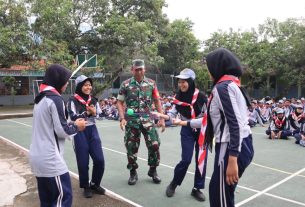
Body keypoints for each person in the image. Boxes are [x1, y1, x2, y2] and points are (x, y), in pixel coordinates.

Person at [29, 64, 87, 207]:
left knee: (47, 201)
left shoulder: (40, 98)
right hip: (50, 160)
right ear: (58, 80)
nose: (67, 84)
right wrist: (77, 127)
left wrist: (72, 123)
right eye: (66, 80)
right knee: (63, 198)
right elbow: (62, 131)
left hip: (38, 158)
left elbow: (54, 125)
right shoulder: (56, 99)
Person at [204, 48, 254, 207]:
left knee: (220, 198)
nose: (208, 71)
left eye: (209, 67)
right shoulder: (231, 85)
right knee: (221, 192)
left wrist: (232, 159)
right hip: (239, 144)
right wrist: (183, 122)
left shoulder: (222, 88)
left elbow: (235, 124)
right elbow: (217, 119)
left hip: (230, 147)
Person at [152, 68, 208, 202]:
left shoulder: (202, 97)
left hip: (202, 130)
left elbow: (207, 119)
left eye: (184, 82)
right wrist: (161, 116)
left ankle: (197, 188)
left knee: (201, 160)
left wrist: (185, 122)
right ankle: (174, 183)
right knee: (186, 160)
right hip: (186, 130)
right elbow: (171, 115)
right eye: (179, 82)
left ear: (191, 82)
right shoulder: (178, 98)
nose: (181, 84)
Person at [117, 59, 165, 185]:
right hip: (132, 121)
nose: (139, 71)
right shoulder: (125, 84)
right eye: (136, 69)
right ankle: (133, 172)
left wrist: (161, 118)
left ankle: (153, 170)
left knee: (155, 145)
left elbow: (157, 100)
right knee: (131, 147)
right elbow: (120, 102)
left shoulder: (151, 83)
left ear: (145, 70)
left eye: (141, 69)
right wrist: (122, 118)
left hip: (148, 119)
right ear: (132, 70)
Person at [67, 75, 106, 198]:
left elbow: (102, 116)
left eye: (89, 85)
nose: (88, 87)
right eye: (85, 85)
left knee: (99, 160)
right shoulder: (72, 100)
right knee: (83, 163)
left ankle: (95, 183)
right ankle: (86, 186)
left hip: (92, 130)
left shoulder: (93, 100)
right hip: (79, 131)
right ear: (79, 86)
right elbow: (73, 117)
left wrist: (95, 113)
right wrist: (87, 113)